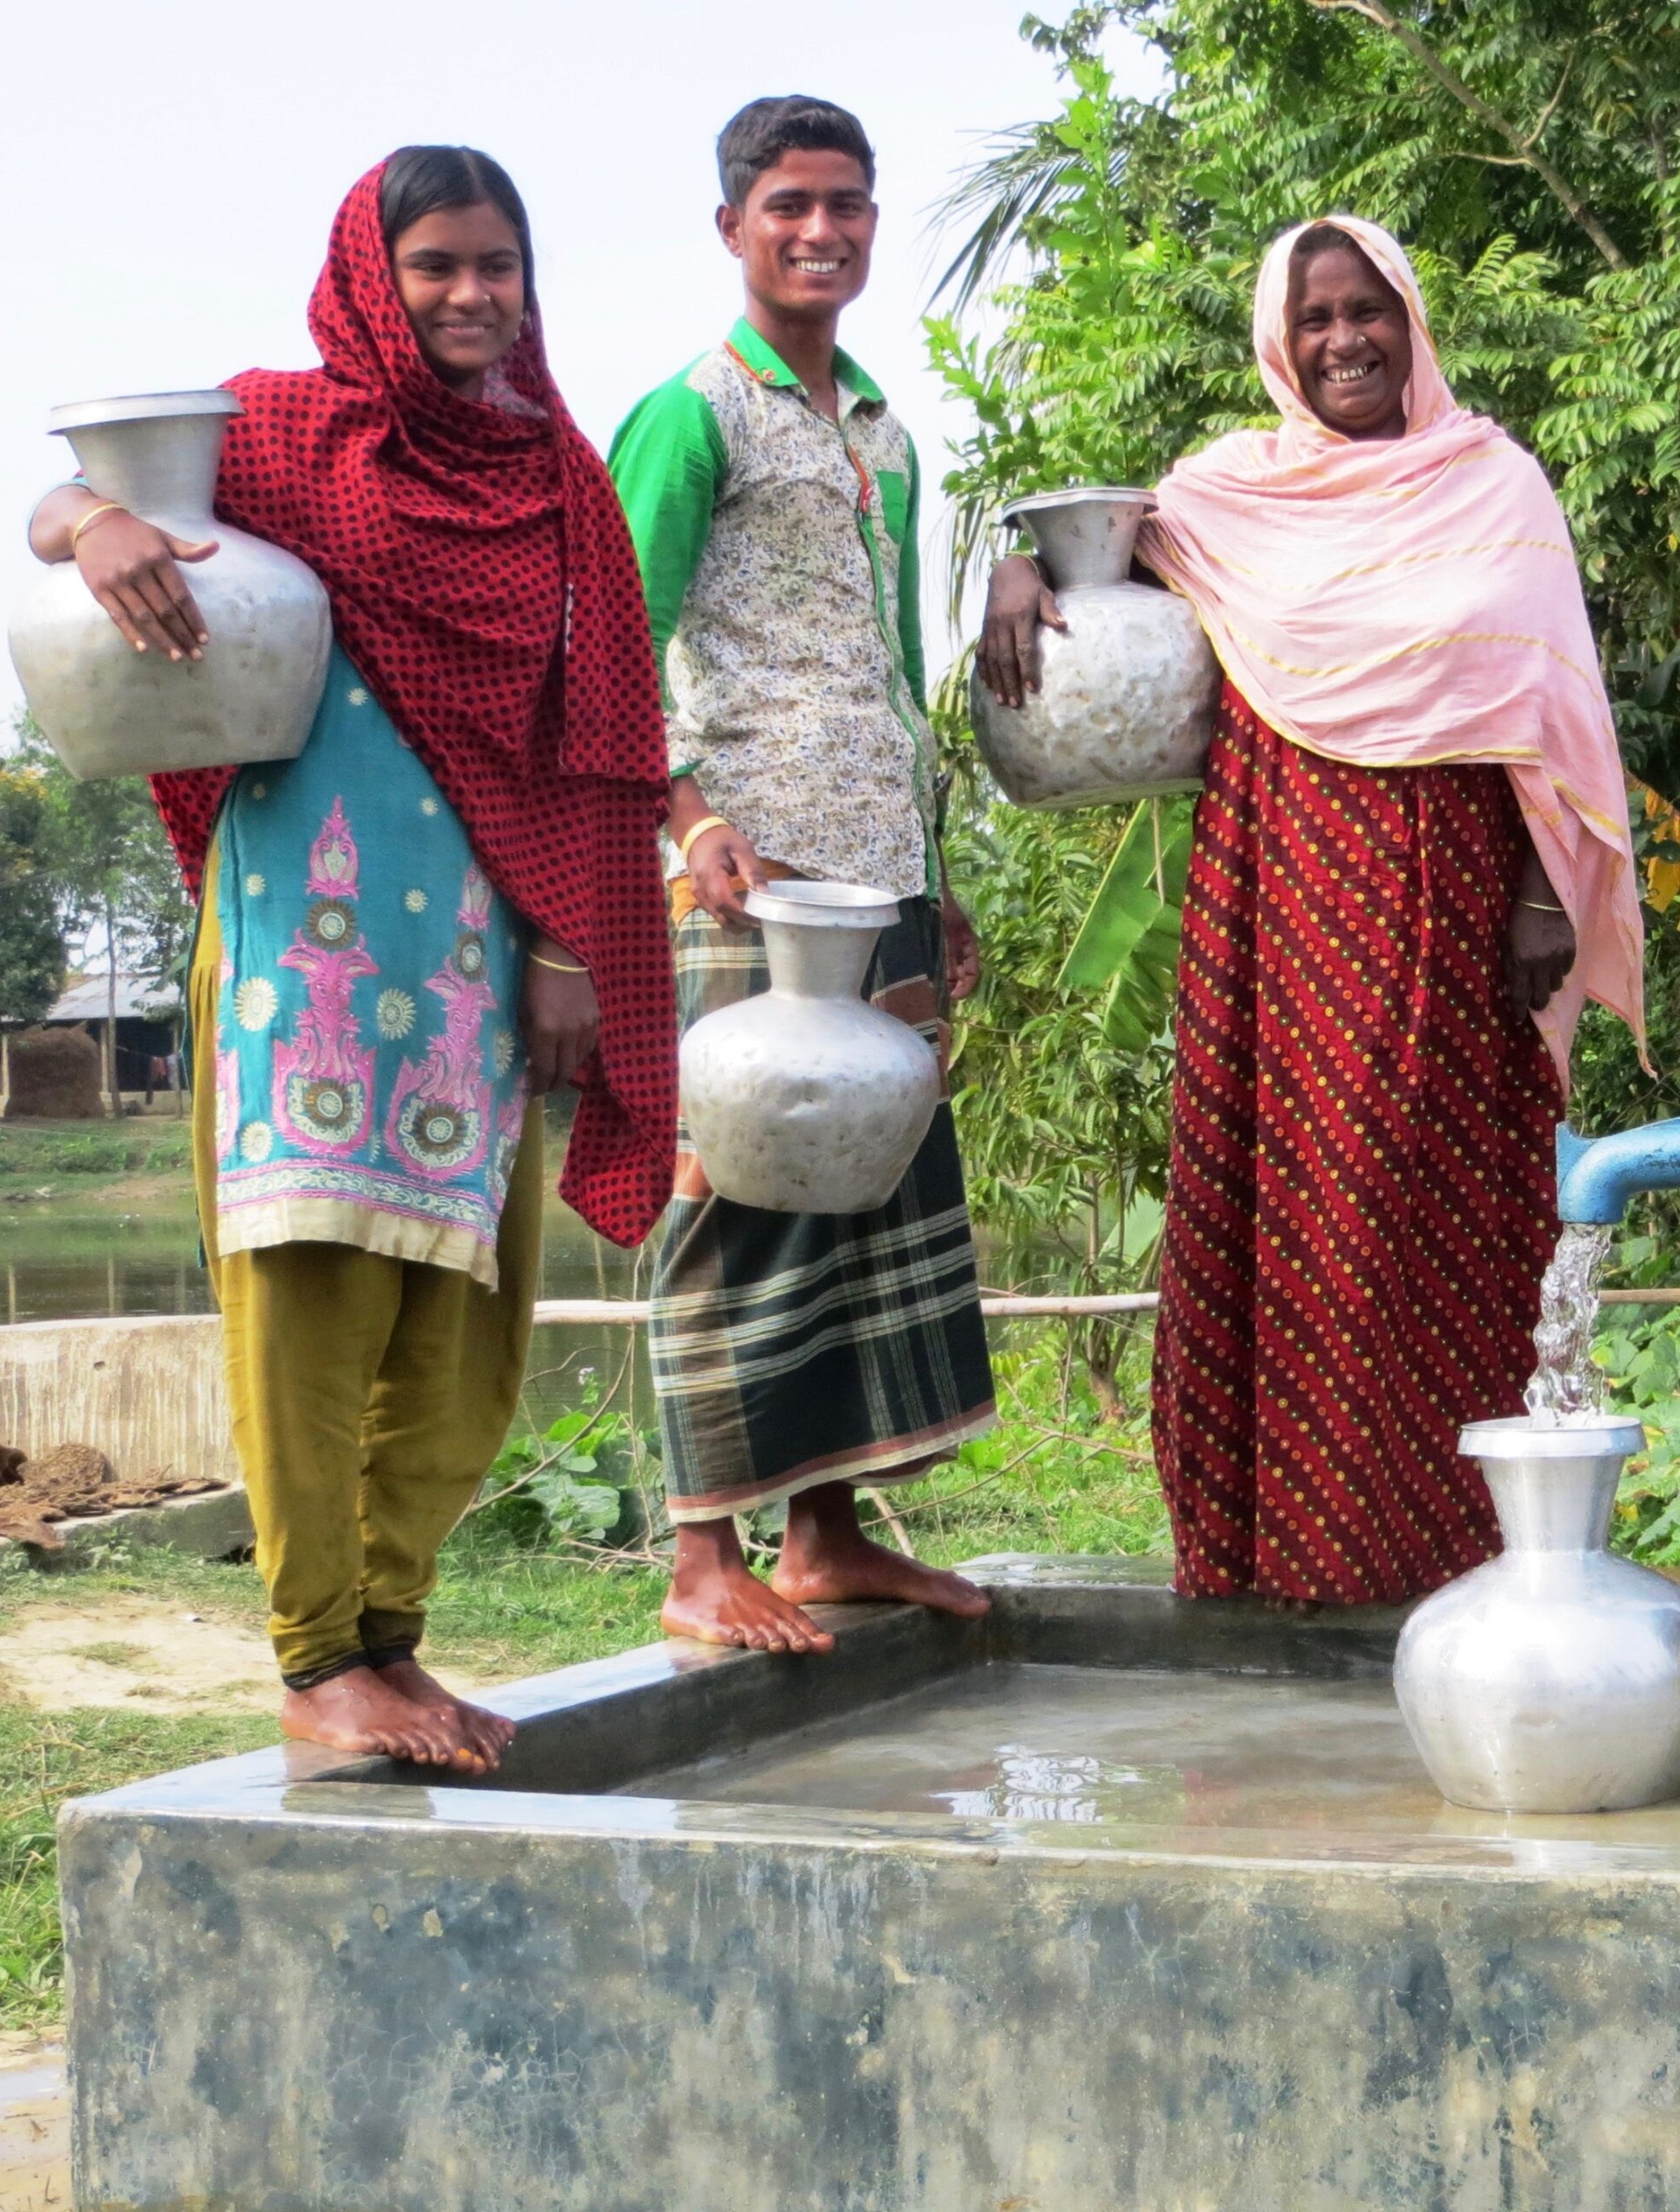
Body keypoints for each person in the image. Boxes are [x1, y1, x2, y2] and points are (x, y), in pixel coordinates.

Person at [27, 148, 677, 1764]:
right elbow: (61, 493)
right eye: (435, 266)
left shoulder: (560, 482)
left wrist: (572, 946)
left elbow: (587, 743)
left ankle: (394, 1639)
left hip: (480, 952)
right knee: (312, 1296)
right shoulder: (275, 436)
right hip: (298, 953)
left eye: (498, 267)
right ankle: (317, 1657)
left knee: (464, 1323)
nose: (470, 297)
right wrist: (96, 524)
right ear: (369, 277)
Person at [982, 217, 1645, 1604]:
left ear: (1411, 321)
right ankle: (1278, 1554)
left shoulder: (1493, 480)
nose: (1347, 340)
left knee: (1428, 1204)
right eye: (1318, 319)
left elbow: (1551, 698)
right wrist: (1012, 566)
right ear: (1279, 348)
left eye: (1370, 311)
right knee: (1280, 1198)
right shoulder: (1226, 495)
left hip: (1456, 890)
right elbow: (1095, 565)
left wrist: (1541, 889)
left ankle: (1457, 1554)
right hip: (1276, 890)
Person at [607, 97, 996, 1654]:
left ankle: (825, 1534)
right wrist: (689, 821)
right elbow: (615, 654)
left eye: (844, 205)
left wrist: (936, 871)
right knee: (737, 1190)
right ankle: (704, 1556)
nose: (820, 232)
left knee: (872, 1196)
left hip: (880, 871)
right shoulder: (689, 413)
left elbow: (893, 670)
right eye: (788, 207)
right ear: (732, 229)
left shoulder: (887, 431)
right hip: (743, 881)